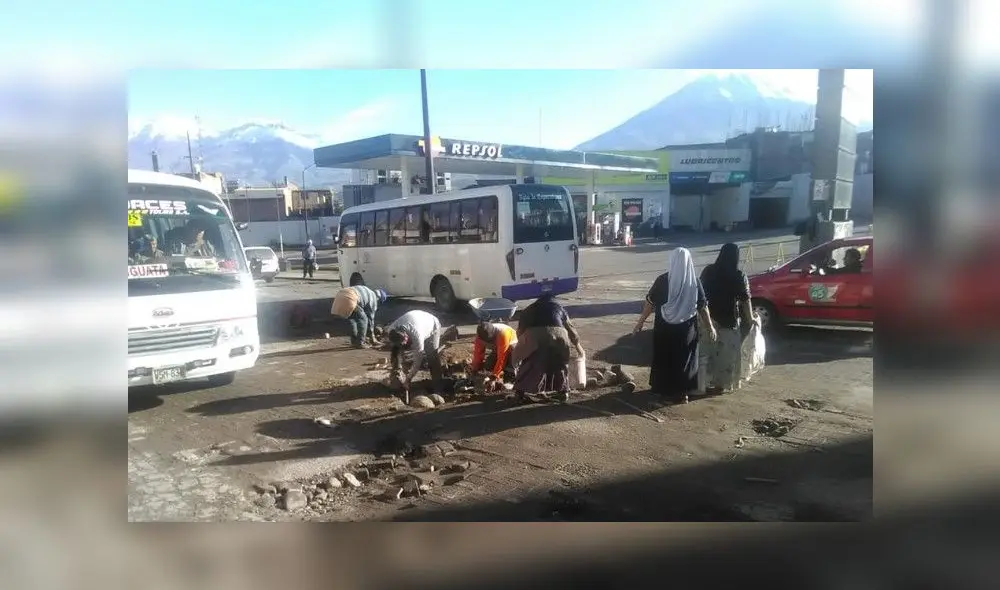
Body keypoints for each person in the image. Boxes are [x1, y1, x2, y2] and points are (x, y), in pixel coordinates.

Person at [633, 247, 717, 404]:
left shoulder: (662, 280)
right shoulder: (694, 282)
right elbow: (702, 306)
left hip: (664, 328)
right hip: (687, 329)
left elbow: (649, 304)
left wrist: (640, 322)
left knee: (665, 358)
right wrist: (710, 326)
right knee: (685, 360)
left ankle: (664, 390)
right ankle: (683, 393)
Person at [699, 243, 756, 394]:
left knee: (707, 351)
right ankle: (721, 384)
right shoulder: (739, 275)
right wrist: (750, 319)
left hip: (708, 318)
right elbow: (746, 299)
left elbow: (699, 293)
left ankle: (703, 382)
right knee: (727, 355)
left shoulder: (708, 271)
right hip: (729, 319)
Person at [512, 294, 584, 403]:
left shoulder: (528, 310)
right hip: (559, 334)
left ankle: (519, 393)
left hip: (534, 335)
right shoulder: (559, 308)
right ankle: (563, 392)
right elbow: (571, 330)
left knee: (529, 362)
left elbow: (520, 331)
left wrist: (524, 348)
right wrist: (578, 346)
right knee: (559, 363)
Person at [386, 310, 444, 399]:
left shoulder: (417, 335)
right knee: (396, 352)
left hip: (432, 325)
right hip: (416, 320)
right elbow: (395, 351)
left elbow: (418, 360)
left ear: (406, 337)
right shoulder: (391, 330)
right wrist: (398, 368)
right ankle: (397, 380)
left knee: (432, 357)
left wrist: (409, 378)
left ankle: (438, 388)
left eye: (403, 344)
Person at [470, 321, 518, 389]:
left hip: (513, 346)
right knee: (488, 365)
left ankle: (510, 376)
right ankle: (498, 372)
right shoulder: (479, 337)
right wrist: (475, 369)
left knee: (511, 357)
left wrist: (494, 377)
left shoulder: (503, 333)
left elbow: (502, 357)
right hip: (498, 347)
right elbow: (478, 354)